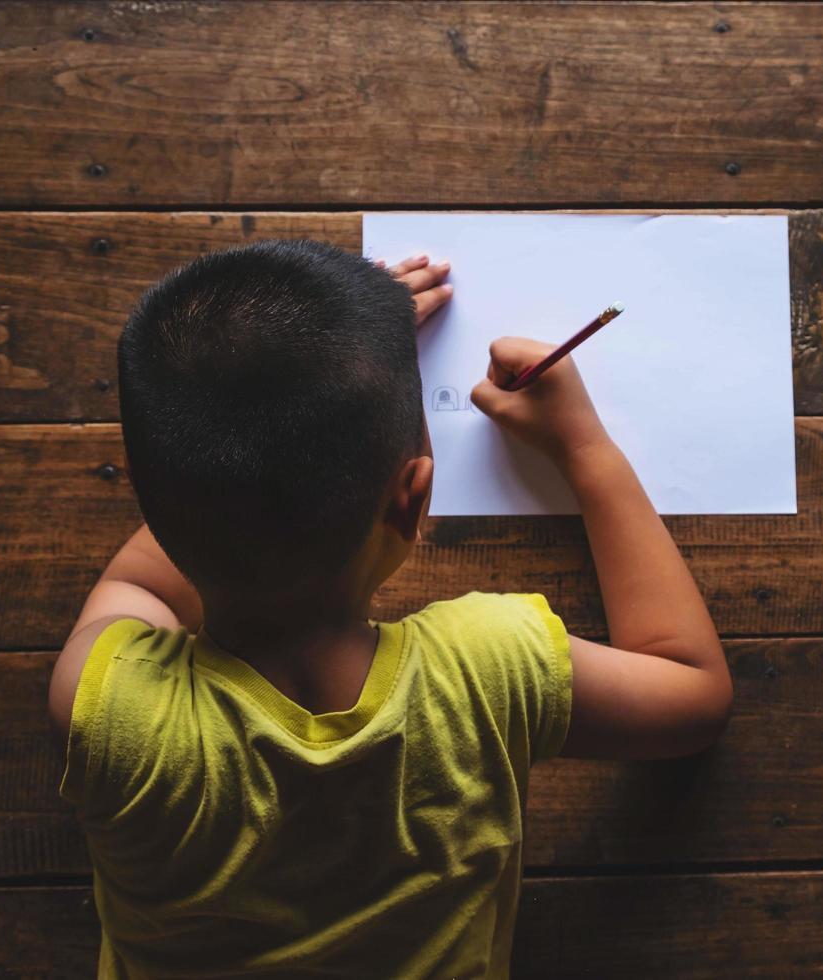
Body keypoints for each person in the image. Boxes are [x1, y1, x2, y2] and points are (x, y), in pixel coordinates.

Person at [48, 239, 732, 978]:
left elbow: (140, 586)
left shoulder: (108, 706)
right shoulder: (484, 671)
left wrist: (322, 374)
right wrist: (584, 446)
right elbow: (691, 693)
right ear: (412, 497)